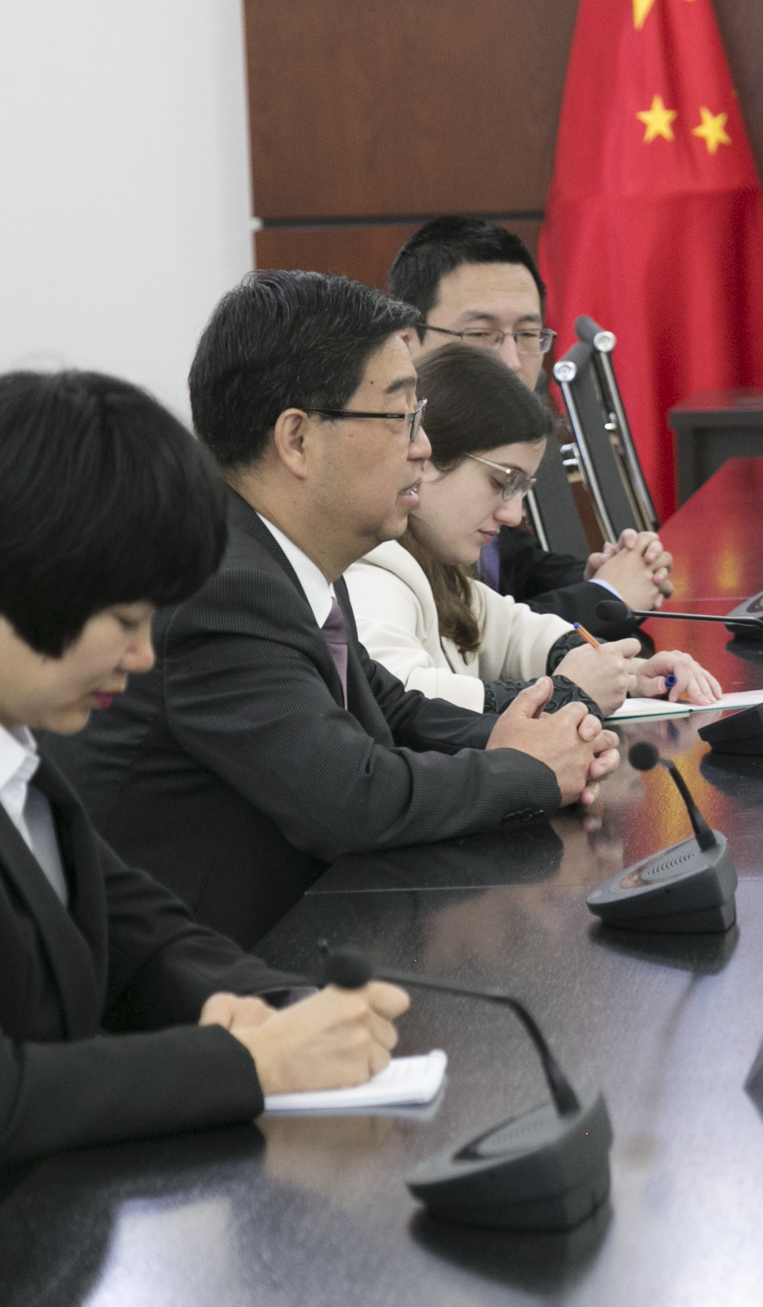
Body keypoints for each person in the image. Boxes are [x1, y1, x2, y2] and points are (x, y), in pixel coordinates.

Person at [0, 371, 409, 1218]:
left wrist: (280, 1008)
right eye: (125, 621)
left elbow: (144, 938)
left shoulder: (8, 747)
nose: (144, 656)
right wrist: (256, 1063)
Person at [52, 271, 619, 949]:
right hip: (214, 971)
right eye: (401, 417)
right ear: (297, 439)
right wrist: (528, 771)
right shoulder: (219, 585)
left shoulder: (287, 553)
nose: (423, 446)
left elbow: (393, 711)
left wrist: (540, 735)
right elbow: (352, 798)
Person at [346, 343, 722, 714]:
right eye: (501, 482)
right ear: (423, 459)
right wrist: (564, 692)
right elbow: (404, 698)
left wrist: (629, 674)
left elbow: (516, 634)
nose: (513, 515)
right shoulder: (371, 572)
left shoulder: (436, 569)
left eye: (521, 489)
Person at [388, 216, 673, 625]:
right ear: (406, 341)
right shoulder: (382, 471)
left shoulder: (484, 448)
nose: (511, 362)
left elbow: (508, 566)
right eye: (480, 334)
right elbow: (462, 634)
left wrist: (597, 576)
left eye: (527, 335)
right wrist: (604, 596)